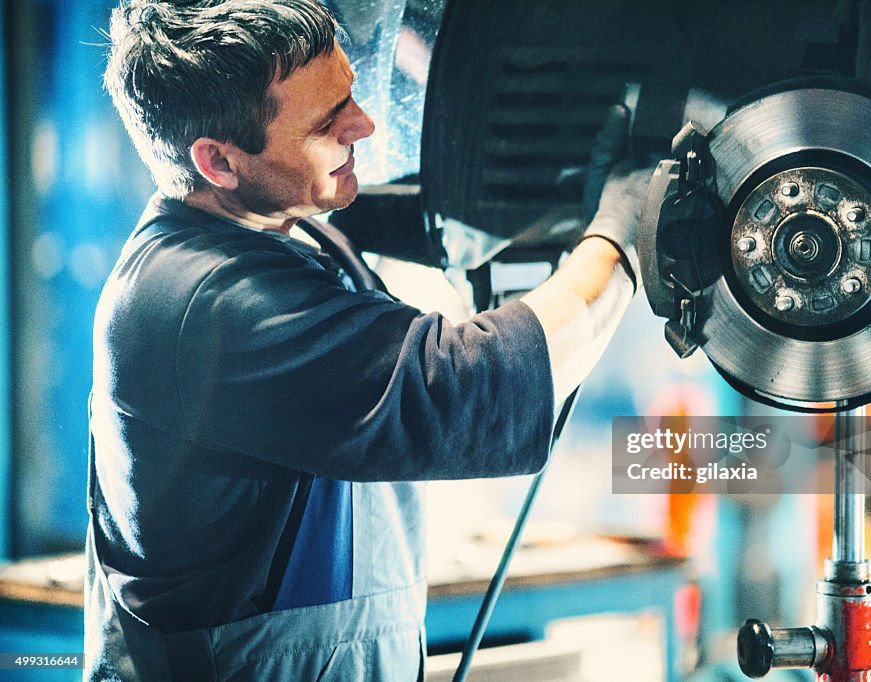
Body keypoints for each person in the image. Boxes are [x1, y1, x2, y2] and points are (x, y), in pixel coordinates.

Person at [88, 1, 649, 679]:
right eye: (328, 122)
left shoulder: (285, 227)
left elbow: (416, 239)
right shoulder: (205, 302)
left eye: (351, 92)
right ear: (218, 161)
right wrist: (620, 230)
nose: (365, 124)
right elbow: (468, 389)